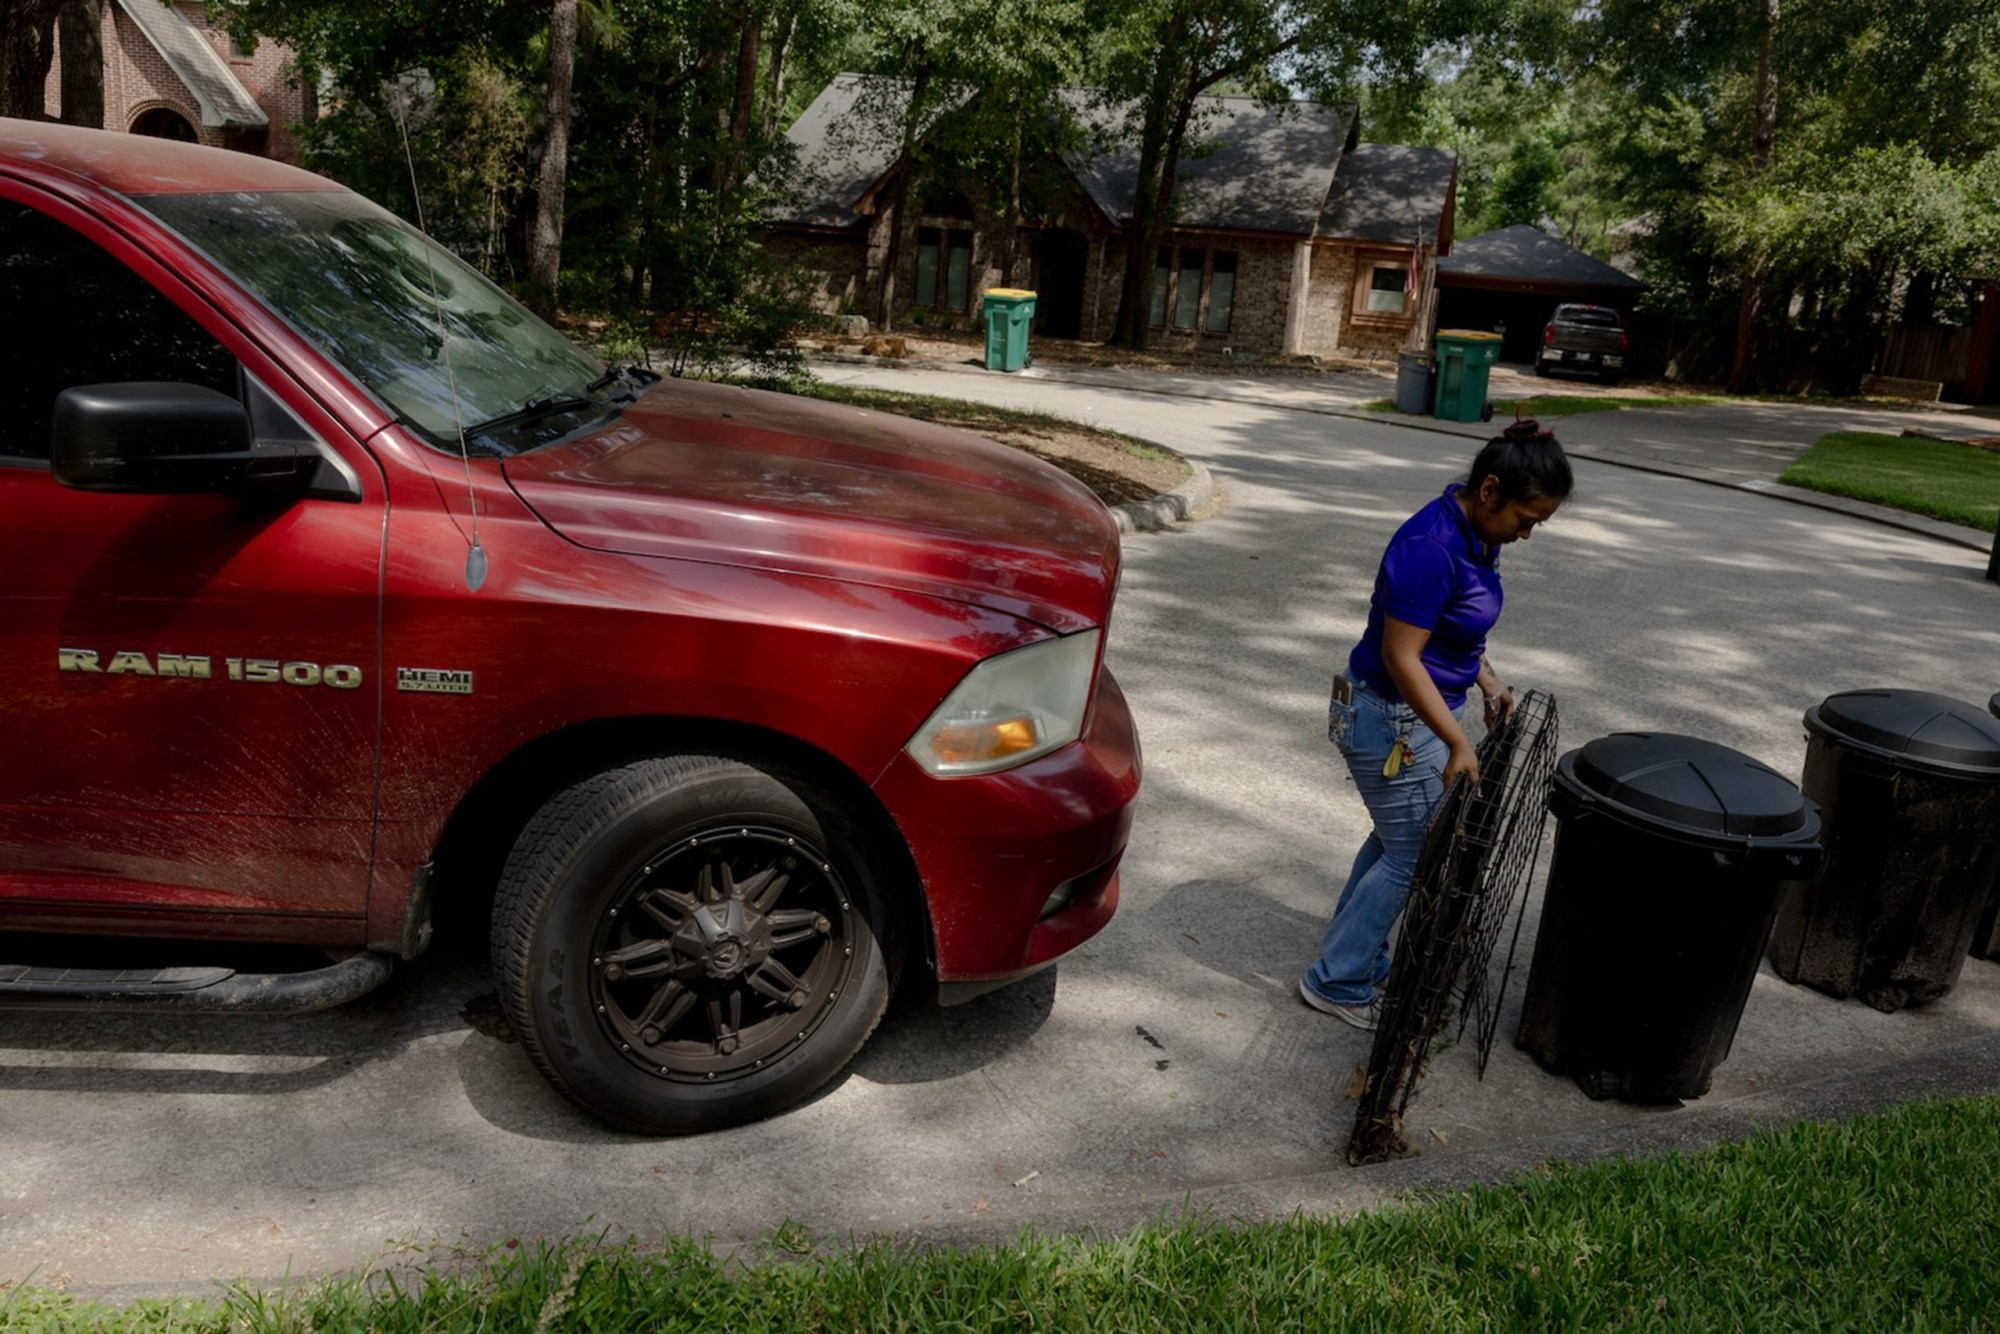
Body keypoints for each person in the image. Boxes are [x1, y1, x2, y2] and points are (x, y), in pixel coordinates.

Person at [1301, 420, 1573, 1030]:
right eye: (1525, 519)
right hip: (1385, 714)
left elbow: (1455, 632)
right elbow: (1402, 657)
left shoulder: (1478, 533)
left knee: (1395, 841)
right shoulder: (1430, 547)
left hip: (1415, 711)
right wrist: (1456, 741)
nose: (1526, 534)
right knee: (1417, 852)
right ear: (1489, 491)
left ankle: (1351, 953)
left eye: (1537, 523)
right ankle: (1338, 981)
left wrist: (1488, 679)